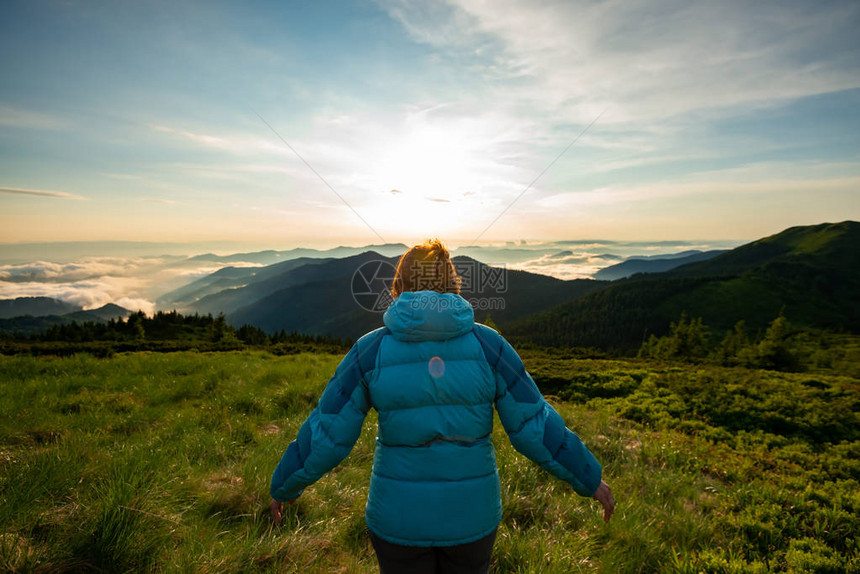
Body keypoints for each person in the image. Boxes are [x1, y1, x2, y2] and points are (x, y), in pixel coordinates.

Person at [270, 239, 614, 573]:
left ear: (399, 284)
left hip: (398, 520)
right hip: (471, 519)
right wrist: (589, 477)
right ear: (452, 283)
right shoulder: (489, 345)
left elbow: (328, 433)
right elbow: (535, 426)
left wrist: (285, 483)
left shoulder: (369, 351)